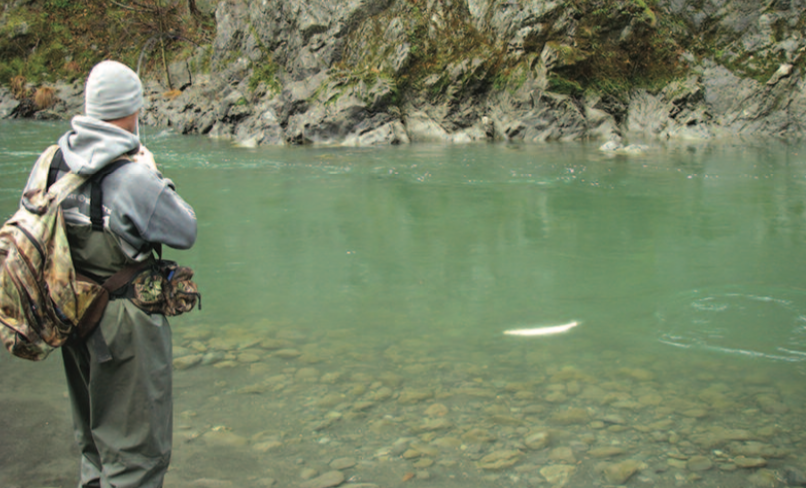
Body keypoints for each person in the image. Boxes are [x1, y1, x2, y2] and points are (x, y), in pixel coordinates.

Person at [23, 60, 197, 487]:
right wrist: (153, 172)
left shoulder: (51, 161)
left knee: (94, 443)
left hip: (71, 312)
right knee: (138, 456)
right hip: (122, 326)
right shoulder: (133, 176)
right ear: (132, 109)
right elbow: (184, 229)